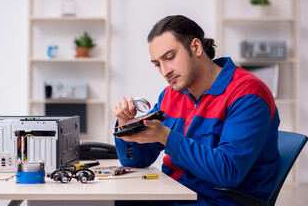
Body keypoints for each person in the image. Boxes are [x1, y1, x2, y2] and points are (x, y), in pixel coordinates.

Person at [113, 15, 280, 206]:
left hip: (218, 202)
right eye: (158, 64)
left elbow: (229, 172)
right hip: (176, 194)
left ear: (196, 47)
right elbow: (136, 161)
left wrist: (166, 137)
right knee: (122, 199)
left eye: (170, 57)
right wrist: (125, 124)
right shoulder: (171, 94)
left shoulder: (248, 95)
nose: (164, 71)